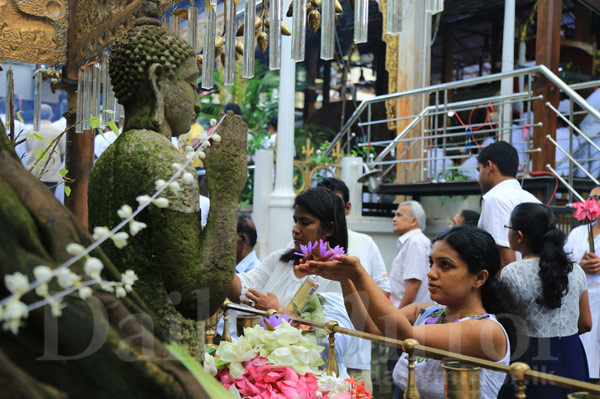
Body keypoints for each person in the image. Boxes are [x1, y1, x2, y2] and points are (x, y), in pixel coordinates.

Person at [88, 0, 248, 356]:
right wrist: (225, 194)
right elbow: (197, 298)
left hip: (115, 347)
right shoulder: (165, 162)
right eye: (191, 83)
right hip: (166, 356)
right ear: (158, 80)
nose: (198, 100)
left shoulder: (107, 161)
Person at [297, 224, 513, 399]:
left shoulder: (487, 330)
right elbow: (369, 328)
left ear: (480, 278)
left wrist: (360, 275)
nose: (431, 273)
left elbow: (404, 335)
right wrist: (345, 279)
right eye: (432, 263)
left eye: (445, 265)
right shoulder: (428, 312)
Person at [228, 187, 355, 377]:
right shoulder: (279, 260)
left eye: (305, 222)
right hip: (268, 374)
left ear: (329, 229)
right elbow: (242, 289)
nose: (295, 229)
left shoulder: (341, 276)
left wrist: (277, 312)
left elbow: (332, 345)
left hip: (314, 382)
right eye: (295, 221)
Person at [499, 203, 591, 398]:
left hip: (531, 359)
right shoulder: (576, 270)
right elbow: (586, 323)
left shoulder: (513, 273)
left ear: (519, 235)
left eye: (508, 228)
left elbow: (507, 328)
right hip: (572, 354)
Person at [317, 177, 390, 390]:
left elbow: (382, 295)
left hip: (357, 357)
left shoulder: (365, 243)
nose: (328, 211)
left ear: (347, 208)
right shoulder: (302, 246)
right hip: (313, 355)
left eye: (335, 204)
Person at [477, 141, 540, 268]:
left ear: (489, 166)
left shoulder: (495, 199)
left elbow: (505, 256)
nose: (478, 178)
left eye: (479, 170)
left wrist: (507, 287)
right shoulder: (533, 199)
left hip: (513, 284)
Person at [565, 186, 600, 382]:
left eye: (598, 197)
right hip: (580, 298)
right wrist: (579, 265)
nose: (592, 201)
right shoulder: (578, 232)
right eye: (590, 197)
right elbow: (564, 260)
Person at [217, 215, 260, 339]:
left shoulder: (256, 273)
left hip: (237, 342)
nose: (221, 242)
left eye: (227, 236)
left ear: (242, 239)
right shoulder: (228, 266)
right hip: (219, 335)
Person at [389, 201, 431, 309]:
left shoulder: (415, 242)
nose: (394, 219)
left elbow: (413, 283)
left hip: (408, 314)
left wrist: (398, 316)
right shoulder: (410, 241)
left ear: (413, 221)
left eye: (399, 215)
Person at [24, 103, 65, 193]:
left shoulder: (30, 131)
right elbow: (62, 154)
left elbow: (27, 150)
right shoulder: (58, 132)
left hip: (33, 174)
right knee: (49, 203)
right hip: (51, 175)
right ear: (51, 115)